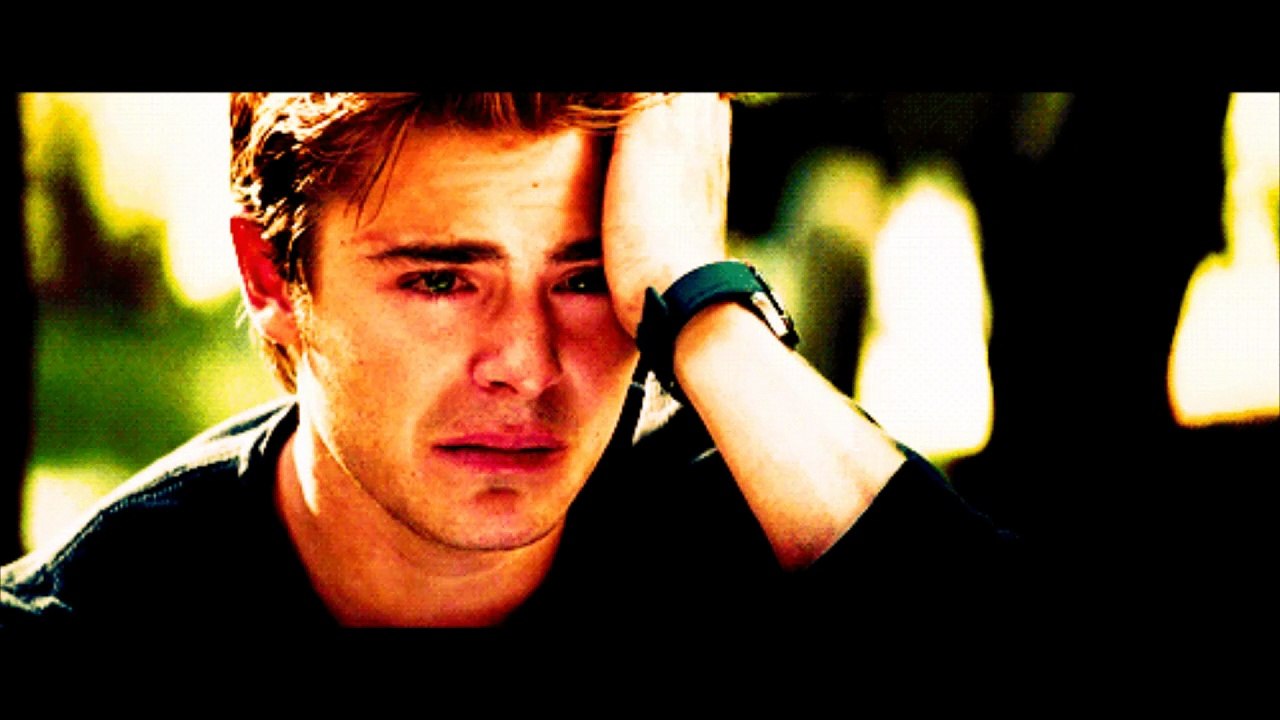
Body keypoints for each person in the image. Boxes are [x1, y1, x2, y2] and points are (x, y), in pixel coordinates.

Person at [1, 92, 1023, 632]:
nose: (526, 366)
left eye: (586, 277)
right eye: (442, 280)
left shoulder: (757, 521)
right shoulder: (95, 621)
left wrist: (696, 300)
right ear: (272, 275)